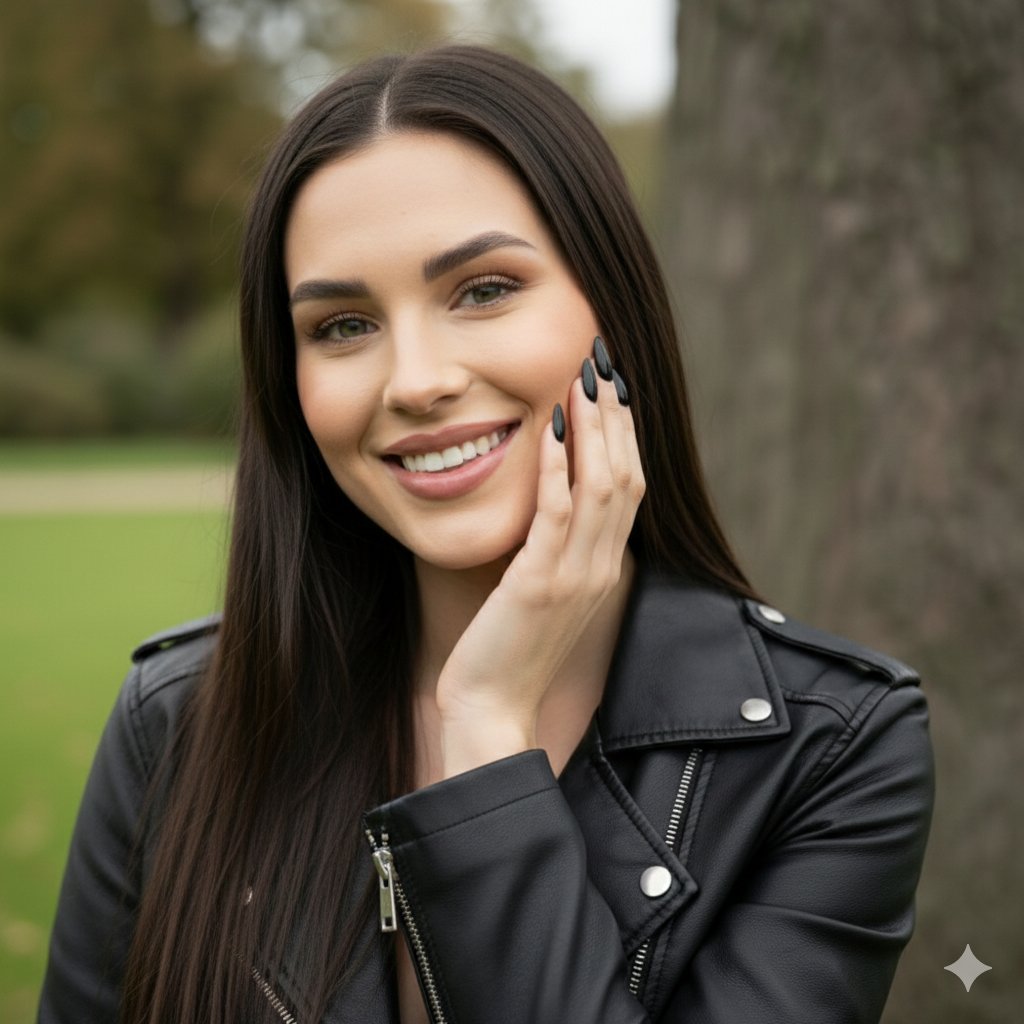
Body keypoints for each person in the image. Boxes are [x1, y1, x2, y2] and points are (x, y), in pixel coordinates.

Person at [38, 45, 934, 1024]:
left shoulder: (831, 749)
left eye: (483, 289)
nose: (415, 380)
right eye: (341, 324)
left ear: (613, 313)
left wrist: (484, 733)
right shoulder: (178, 724)